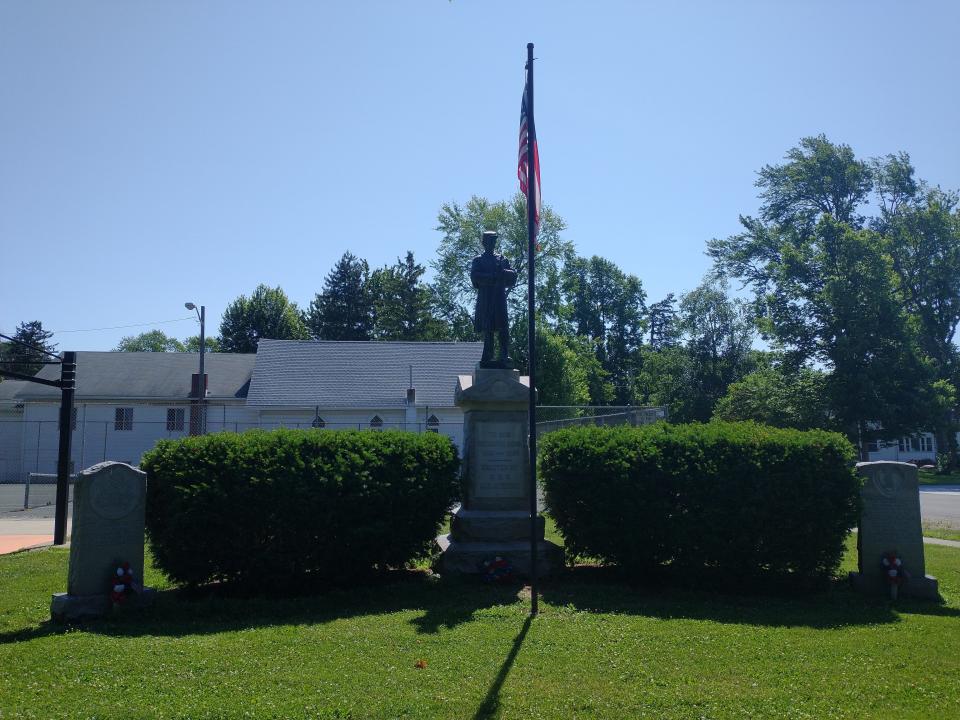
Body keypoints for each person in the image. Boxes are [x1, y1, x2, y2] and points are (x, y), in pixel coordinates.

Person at [470, 230, 517, 366]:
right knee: (488, 328)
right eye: (490, 240)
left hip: (499, 297)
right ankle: (487, 356)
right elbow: (475, 277)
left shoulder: (502, 259)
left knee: (503, 327)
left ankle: (504, 354)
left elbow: (513, 276)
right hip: (486, 298)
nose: (493, 243)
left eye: (494, 240)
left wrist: (503, 273)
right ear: (484, 242)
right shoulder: (478, 260)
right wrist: (492, 276)